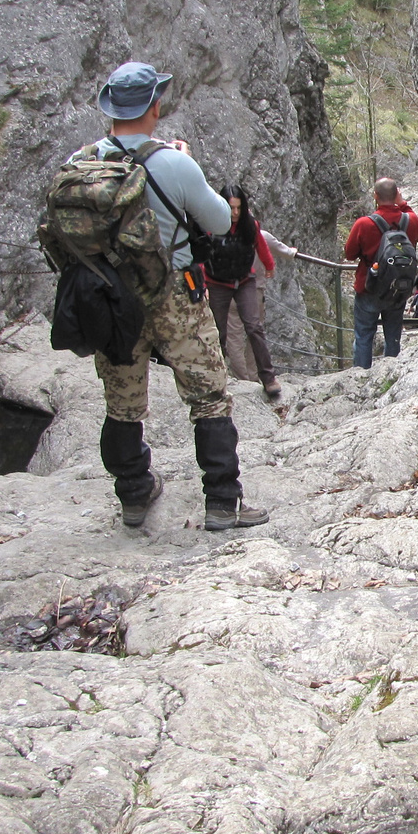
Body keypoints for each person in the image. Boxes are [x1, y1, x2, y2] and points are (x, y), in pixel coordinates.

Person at [87, 61, 267, 532]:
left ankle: (133, 493)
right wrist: (184, 165)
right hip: (174, 296)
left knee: (122, 404)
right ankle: (223, 504)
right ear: (154, 105)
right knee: (208, 397)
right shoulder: (173, 161)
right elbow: (221, 223)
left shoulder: (81, 162)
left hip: (110, 299)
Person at [204, 185, 295, 401]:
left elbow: (261, 246)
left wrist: (269, 266)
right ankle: (215, 377)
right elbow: (201, 254)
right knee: (219, 331)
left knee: (254, 326)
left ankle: (268, 377)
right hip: (217, 282)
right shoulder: (211, 225)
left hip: (244, 280)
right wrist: (203, 285)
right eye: (230, 208)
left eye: (238, 208)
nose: (234, 213)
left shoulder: (250, 226)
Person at [343, 178, 418, 369]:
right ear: (396, 194)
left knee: (364, 336)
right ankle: (390, 373)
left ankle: (360, 376)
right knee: (393, 335)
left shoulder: (364, 224)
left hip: (369, 286)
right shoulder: (409, 220)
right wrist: (403, 204)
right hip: (398, 288)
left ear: (376, 196)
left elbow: (349, 254)